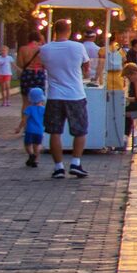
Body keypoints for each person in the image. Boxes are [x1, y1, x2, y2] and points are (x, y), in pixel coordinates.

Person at [37, 32, 92, 178]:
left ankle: (58, 167)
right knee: (80, 130)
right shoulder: (78, 47)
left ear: (55, 31)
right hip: (76, 95)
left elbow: (43, 66)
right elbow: (87, 67)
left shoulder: (45, 49)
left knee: (55, 132)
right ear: (68, 31)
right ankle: (75, 162)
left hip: (55, 95)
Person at [16, 86, 46, 167]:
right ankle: (35, 160)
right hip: (39, 130)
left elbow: (24, 120)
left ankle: (31, 154)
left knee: (27, 144)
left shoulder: (29, 109)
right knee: (37, 145)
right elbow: (46, 119)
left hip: (29, 130)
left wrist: (19, 128)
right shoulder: (44, 109)